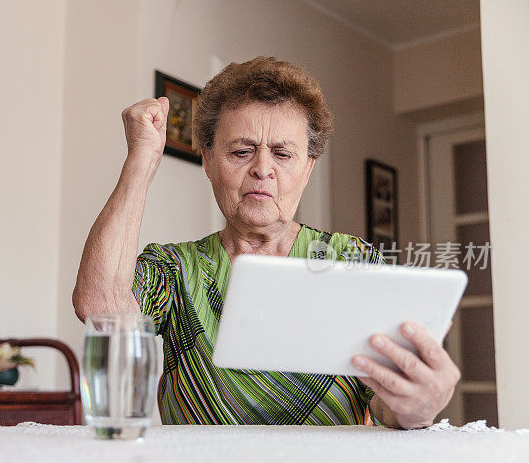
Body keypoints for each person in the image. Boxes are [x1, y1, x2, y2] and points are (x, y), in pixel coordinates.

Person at [72, 56, 460, 429]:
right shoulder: (176, 270)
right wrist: (141, 163)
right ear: (207, 160)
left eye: (282, 153)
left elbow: (384, 402)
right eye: (241, 151)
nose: (262, 168)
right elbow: (100, 307)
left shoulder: (352, 260)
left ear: (307, 169)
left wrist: (415, 408)